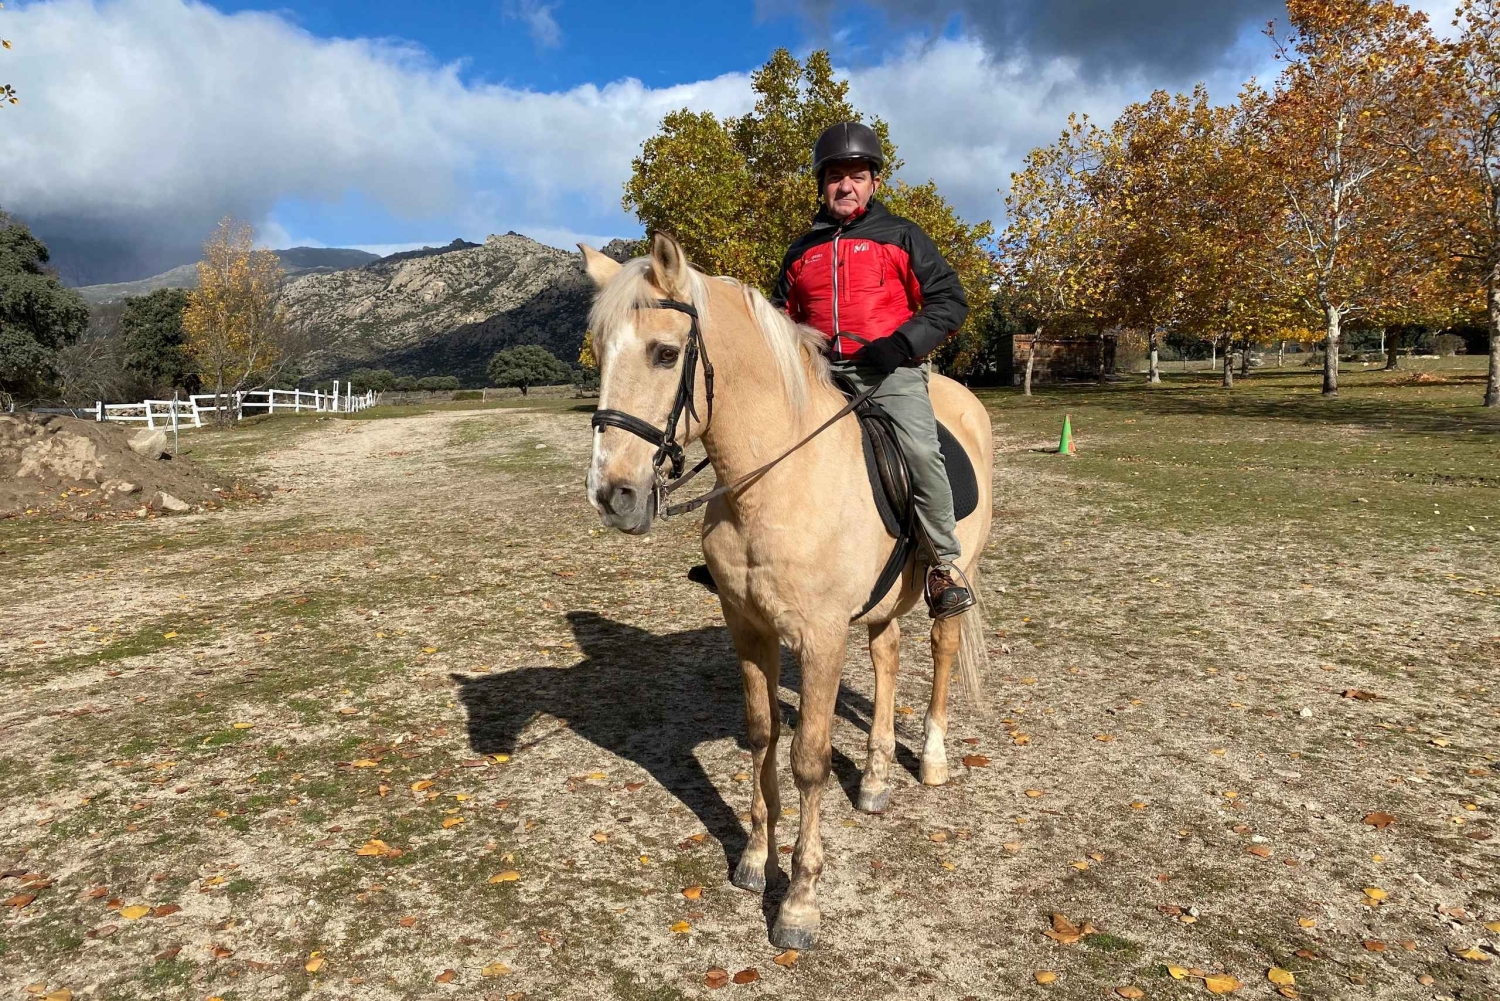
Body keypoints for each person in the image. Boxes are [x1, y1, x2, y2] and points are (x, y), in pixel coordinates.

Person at [771, 121, 973, 619]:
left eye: (857, 176)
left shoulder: (903, 234)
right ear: (822, 184)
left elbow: (949, 301)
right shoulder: (800, 251)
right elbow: (778, 317)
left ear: (875, 183)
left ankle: (943, 564)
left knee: (921, 451)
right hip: (817, 375)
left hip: (889, 373)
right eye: (835, 175)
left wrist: (902, 345)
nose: (846, 185)